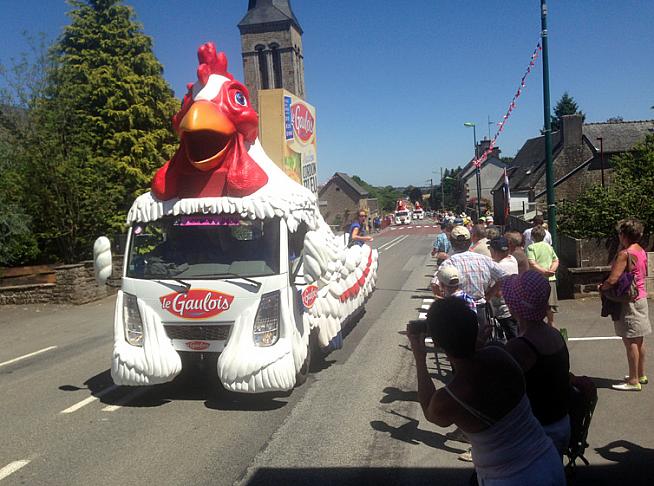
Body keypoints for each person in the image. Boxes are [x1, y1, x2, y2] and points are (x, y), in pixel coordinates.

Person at [408, 297, 566, 485]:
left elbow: (430, 411)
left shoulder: (451, 397)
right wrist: (475, 340)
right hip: (547, 460)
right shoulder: (499, 354)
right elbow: (476, 361)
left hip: (509, 478)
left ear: (436, 342)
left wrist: (420, 358)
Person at [503, 271, 571, 455]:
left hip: (537, 430)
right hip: (560, 421)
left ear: (515, 306)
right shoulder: (553, 333)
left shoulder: (520, 346)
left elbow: (500, 389)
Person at [431, 225, 508, 346]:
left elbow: (435, 284)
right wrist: (490, 294)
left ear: (452, 242)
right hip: (480, 307)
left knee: (460, 344)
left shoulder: (450, 262)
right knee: (482, 342)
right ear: (469, 241)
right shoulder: (484, 259)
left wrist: (443, 298)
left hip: (458, 309)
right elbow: (504, 276)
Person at [600, 219, 651, 391]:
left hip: (628, 301)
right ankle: (640, 374)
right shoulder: (641, 250)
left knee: (630, 341)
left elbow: (613, 279)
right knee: (639, 339)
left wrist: (602, 287)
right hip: (641, 297)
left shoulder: (625, 254)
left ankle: (633, 381)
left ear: (624, 235)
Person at [526, 226, 559, 326]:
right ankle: (551, 325)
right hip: (550, 279)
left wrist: (543, 272)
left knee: (537, 304)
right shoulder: (549, 247)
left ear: (532, 237)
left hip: (537, 280)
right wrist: (551, 270)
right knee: (550, 305)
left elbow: (532, 263)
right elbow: (556, 260)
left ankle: (538, 325)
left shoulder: (531, 248)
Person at [489, 237, 519, 340]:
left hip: (504, 309)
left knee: (512, 339)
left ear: (494, 250)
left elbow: (498, 293)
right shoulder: (512, 259)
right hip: (514, 306)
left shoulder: (498, 267)